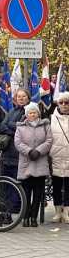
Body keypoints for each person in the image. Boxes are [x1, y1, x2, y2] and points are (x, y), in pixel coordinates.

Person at [15, 102, 53, 227]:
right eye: (30, 112)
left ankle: (33, 217)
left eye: (34, 112)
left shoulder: (45, 125)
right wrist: (29, 151)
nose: (32, 114)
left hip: (40, 162)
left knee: (38, 193)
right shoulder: (20, 127)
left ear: (38, 113)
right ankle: (25, 217)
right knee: (25, 193)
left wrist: (39, 151)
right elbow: (18, 143)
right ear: (27, 114)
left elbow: (49, 140)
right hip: (26, 163)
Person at [0, 88, 30, 215]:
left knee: (17, 183)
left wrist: (12, 127)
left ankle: (15, 208)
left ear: (28, 98)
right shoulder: (12, 111)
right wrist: (15, 130)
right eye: (18, 96)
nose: (21, 99)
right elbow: (2, 126)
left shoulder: (30, 111)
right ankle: (6, 208)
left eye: (23, 96)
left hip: (19, 154)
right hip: (7, 153)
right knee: (6, 182)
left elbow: (24, 128)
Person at [50, 92, 69, 223]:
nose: (64, 105)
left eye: (66, 102)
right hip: (55, 156)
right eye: (61, 102)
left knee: (68, 186)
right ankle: (57, 212)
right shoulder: (52, 118)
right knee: (56, 186)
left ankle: (66, 212)